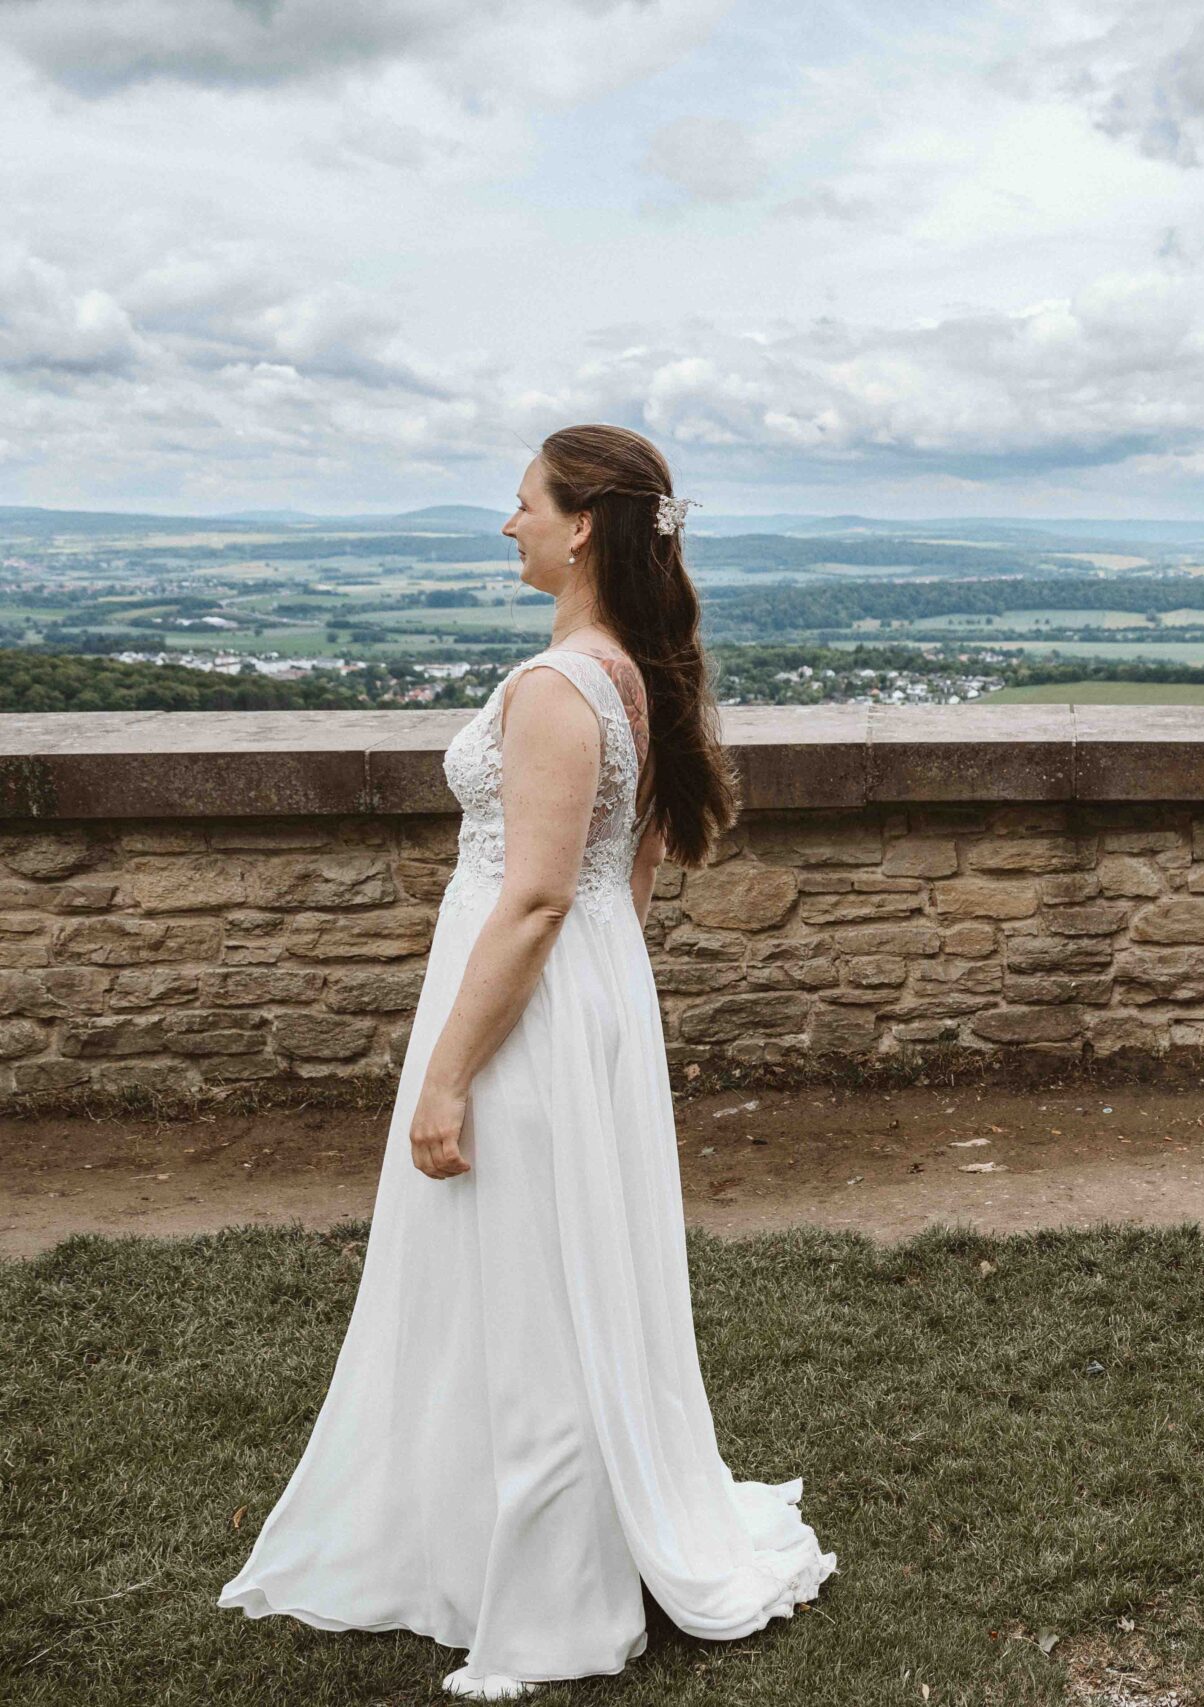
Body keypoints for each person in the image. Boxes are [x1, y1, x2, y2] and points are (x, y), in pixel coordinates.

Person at [219, 426, 835, 1697]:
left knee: (529, 1271)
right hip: (587, 996)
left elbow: (542, 897)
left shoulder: (560, 687)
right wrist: (602, 1003)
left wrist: (447, 1071)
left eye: (522, 505)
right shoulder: (639, 676)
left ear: (583, 528)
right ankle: (506, 1522)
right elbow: (633, 879)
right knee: (559, 1259)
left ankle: (550, 1593)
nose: (508, 526)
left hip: (531, 1000)